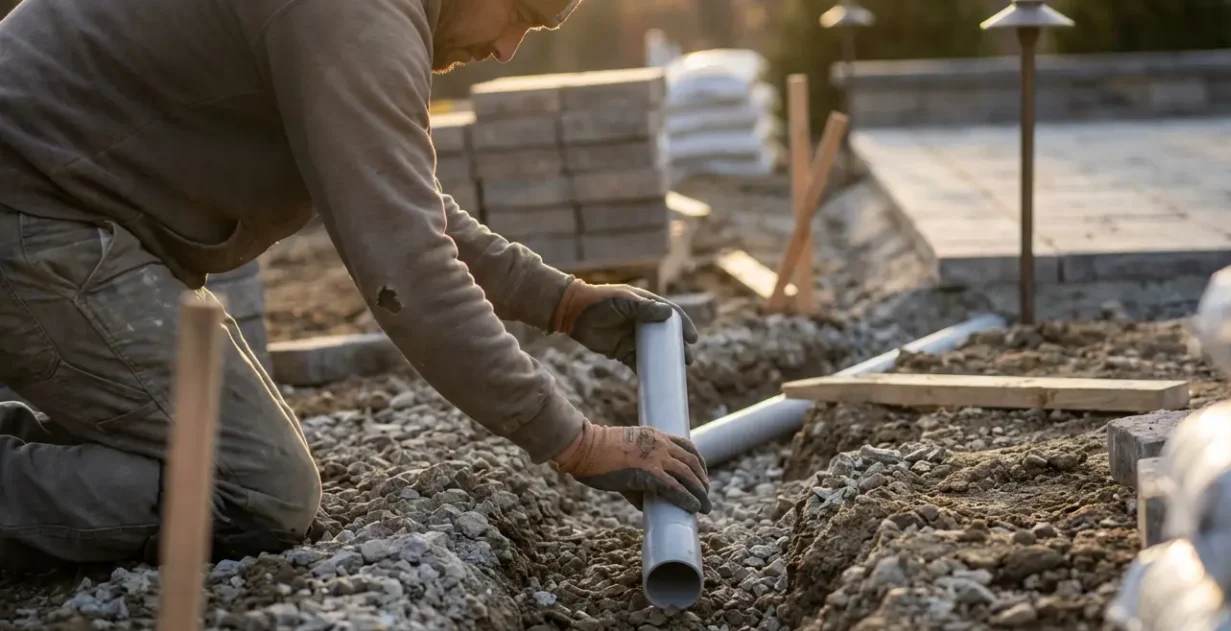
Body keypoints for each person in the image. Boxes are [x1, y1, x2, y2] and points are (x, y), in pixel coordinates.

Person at [0, 0, 711, 573]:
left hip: (54, 208)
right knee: (256, 490)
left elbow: (407, 205)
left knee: (223, 463)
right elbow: (406, 264)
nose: (507, 50)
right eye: (522, 15)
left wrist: (564, 303)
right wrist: (573, 441)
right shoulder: (356, 15)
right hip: (33, 215)